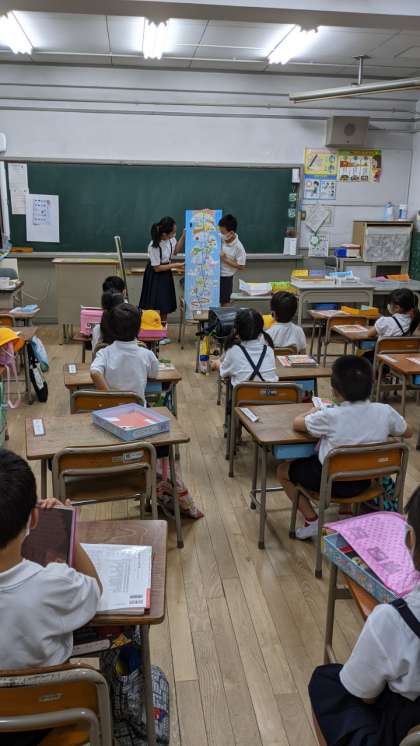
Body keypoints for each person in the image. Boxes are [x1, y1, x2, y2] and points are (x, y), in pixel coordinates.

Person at [309, 486, 420, 746]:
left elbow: (364, 694)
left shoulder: (393, 620)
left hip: (402, 729)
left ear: (410, 540)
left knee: (326, 681)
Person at [277, 355, 412, 540]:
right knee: (353, 456)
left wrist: (311, 411)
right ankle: (345, 511)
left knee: (283, 471)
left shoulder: (329, 415)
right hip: (366, 481)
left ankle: (312, 520)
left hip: (327, 483)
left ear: (335, 391)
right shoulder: (385, 411)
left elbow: (297, 423)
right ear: (372, 385)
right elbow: (408, 432)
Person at [0, 448, 101, 686]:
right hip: (54, 703)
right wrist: (69, 533)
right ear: (35, 518)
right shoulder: (55, 582)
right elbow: (95, 588)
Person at [91, 302, 159, 403]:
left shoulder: (104, 353)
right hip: (137, 409)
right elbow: (154, 374)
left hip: (112, 410)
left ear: (112, 329)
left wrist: (110, 397)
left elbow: (94, 372)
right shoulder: (147, 354)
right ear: (139, 330)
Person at [212, 308, 278, 386]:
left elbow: (224, 372)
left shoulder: (233, 351)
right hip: (270, 393)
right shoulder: (269, 350)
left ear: (236, 330)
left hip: (242, 394)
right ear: (260, 330)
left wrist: (216, 364)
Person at [139, 216, 184, 328]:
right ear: (164, 234)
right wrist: (175, 265)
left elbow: (176, 251)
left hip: (166, 272)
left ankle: (162, 330)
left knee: (165, 304)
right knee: (153, 303)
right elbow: (157, 268)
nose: (174, 235)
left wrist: (183, 237)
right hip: (155, 275)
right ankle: (151, 328)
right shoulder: (153, 246)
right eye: (172, 233)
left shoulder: (170, 240)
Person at [218, 214, 246, 306]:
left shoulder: (238, 247)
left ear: (231, 233)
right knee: (210, 300)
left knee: (224, 302)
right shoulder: (220, 237)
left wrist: (225, 259)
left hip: (226, 277)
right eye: (220, 231)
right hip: (213, 274)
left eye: (223, 232)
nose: (221, 234)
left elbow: (241, 266)